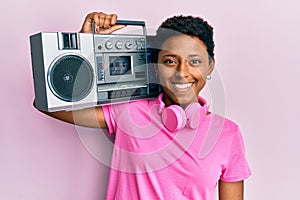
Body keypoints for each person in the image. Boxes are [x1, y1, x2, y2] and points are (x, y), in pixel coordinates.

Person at [38, 11, 251, 200]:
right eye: (169, 61)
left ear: (210, 66)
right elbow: (48, 105)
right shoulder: (129, 111)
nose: (182, 72)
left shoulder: (228, 134)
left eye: (194, 61)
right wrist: (84, 46)